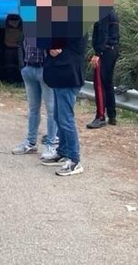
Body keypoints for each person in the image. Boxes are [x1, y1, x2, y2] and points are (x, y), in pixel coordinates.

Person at [40, 33, 87, 176]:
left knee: (66, 119)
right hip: (59, 76)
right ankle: (63, 151)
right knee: (58, 116)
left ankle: (74, 160)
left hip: (68, 76)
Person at [11, 36, 58, 160]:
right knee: (33, 109)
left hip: (45, 68)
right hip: (29, 67)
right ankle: (31, 142)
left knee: (51, 110)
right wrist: (23, 66)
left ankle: (51, 144)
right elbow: (22, 42)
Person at [86, 5, 120, 129]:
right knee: (108, 83)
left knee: (99, 84)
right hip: (113, 50)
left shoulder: (103, 13)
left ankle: (100, 116)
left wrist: (97, 53)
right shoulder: (112, 12)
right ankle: (112, 115)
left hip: (104, 52)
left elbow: (102, 33)